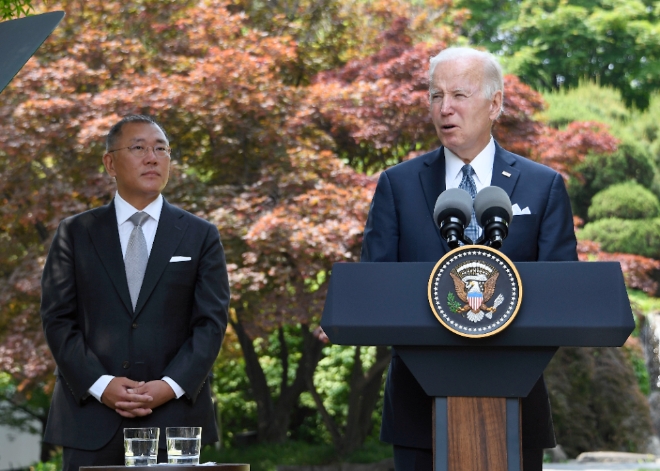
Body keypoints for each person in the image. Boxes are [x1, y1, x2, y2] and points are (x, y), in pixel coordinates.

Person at [360, 47, 577, 471]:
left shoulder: (542, 186)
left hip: (514, 408)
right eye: (435, 96)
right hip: (417, 411)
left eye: (459, 95)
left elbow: (562, 293)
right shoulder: (397, 185)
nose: (445, 108)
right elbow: (374, 288)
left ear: (495, 103)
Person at [40, 115, 230, 471]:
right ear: (110, 163)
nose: (152, 157)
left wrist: (169, 386)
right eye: (139, 148)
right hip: (90, 423)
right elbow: (57, 320)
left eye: (161, 149)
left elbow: (211, 323)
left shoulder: (200, 235)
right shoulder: (75, 233)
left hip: (176, 426)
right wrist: (101, 384)